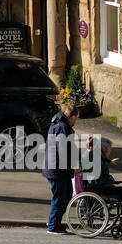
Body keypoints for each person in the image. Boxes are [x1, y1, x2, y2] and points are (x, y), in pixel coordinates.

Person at [85, 138, 122, 231]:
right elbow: (95, 177)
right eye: (109, 148)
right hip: (99, 188)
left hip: (100, 186)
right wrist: (110, 181)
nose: (110, 150)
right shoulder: (95, 157)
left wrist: (111, 181)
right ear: (104, 149)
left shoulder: (97, 156)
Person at [41, 99, 80, 235]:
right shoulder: (62, 127)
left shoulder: (60, 125)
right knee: (60, 197)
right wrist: (74, 163)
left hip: (58, 168)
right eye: (76, 118)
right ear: (72, 116)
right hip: (57, 169)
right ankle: (53, 225)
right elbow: (63, 149)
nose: (76, 121)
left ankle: (55, 221)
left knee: (67, 194)